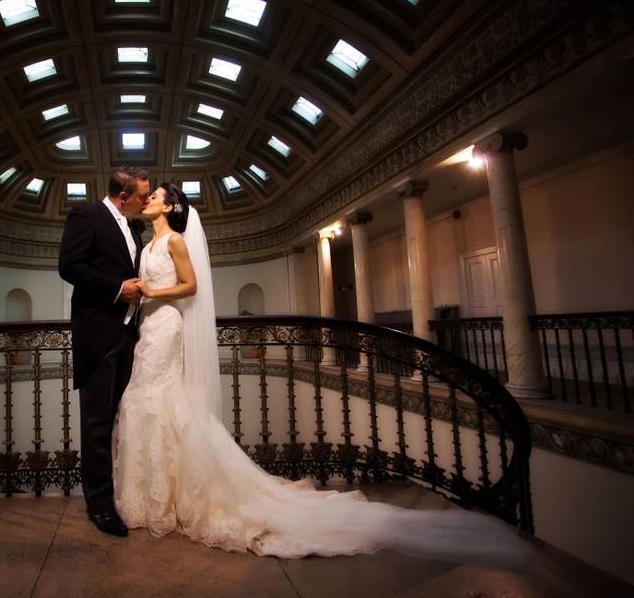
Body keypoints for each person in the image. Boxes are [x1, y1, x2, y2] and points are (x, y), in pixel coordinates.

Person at [112, 182, 535, 565]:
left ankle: (178, 499)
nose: (147, 201)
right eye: (147, 197)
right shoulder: (147, 245)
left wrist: (153, 290)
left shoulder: (176, 244)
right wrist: (138, 291)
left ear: (171, 205)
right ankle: (153, 500)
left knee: (160, 400)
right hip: (150, 327)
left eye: (155, 196)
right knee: (144, 401)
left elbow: (190, 287)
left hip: (168, 326)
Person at [58, 165, 150, 537]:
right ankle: (99, 506)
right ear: (123, 195)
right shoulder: (86, 216)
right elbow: (70, 267)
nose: (147, 200)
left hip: (129, 336)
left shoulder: (133, 227)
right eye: (143, 195)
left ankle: (122, 493)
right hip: (98, 336)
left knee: (120, 419)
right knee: (96, 424)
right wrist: (117, 289)